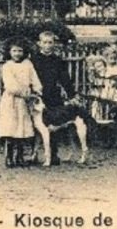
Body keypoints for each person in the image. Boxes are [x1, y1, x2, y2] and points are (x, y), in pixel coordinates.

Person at [30, 30, 85, 165]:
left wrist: (72, 95)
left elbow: (65, 79)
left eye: (50, 43)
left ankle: (53, 155)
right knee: (34, 126)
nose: (47, 45)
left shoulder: (58, 60)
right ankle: (34, 154)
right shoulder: (34, 60)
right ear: (39, 44)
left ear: (54, 44)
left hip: (54, 96)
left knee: (53, 126)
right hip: (37, 97)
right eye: (45, 43)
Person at [0, 41, 42, 167]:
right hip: (11, 100)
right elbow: (10, 85)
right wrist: (24, 93)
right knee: (11, 128)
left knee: (22, 128)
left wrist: (37, 90)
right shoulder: (7, 66)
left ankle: (20, 156)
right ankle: (9, 156)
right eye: (14, 51)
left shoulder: (28, 64)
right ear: (9, 52)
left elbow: (35, 79)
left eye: (20, 51)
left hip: (25, 102)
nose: (17, 54)